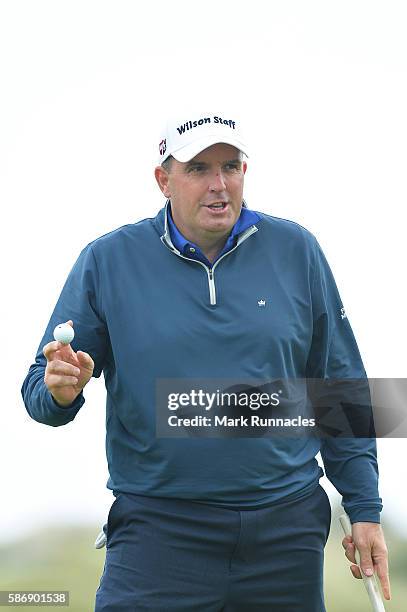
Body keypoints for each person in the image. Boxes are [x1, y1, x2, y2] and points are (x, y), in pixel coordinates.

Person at [22, 112, 390, 611]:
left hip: (284, 533)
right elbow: (40, 391)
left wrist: (365, 508)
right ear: (163, 180)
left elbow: (339, 385)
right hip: (159, 533)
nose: (219, 185)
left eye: (231, 167)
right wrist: (60, 391)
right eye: (198, 168)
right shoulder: (108, 261)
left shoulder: (296, 250)